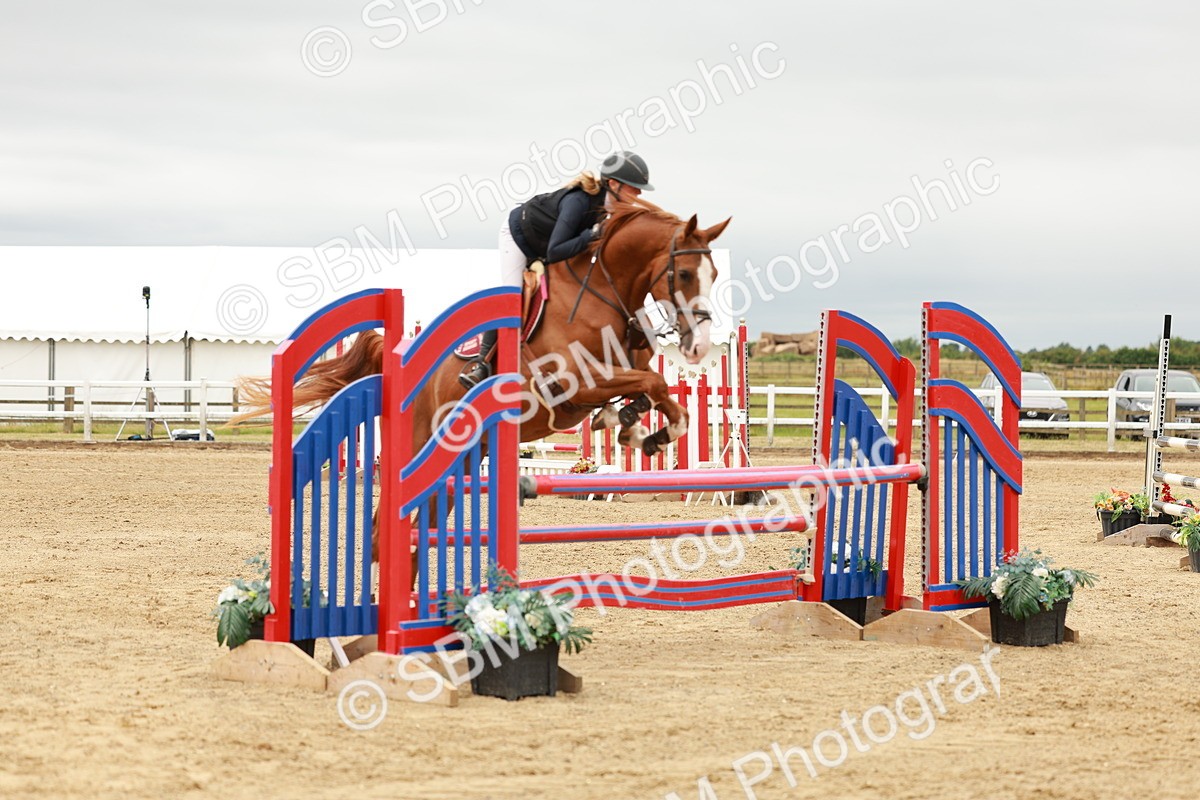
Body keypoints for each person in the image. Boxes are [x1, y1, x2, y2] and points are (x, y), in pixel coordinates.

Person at [459, 151, 654, 389]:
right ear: (613, 184)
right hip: (520, 238)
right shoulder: (579, 202)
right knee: (513, 295)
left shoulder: (612, 212)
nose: (639, 193)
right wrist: (591, 235)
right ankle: (482, 363)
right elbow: (555, 251)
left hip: (551, 242)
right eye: (633, 187)